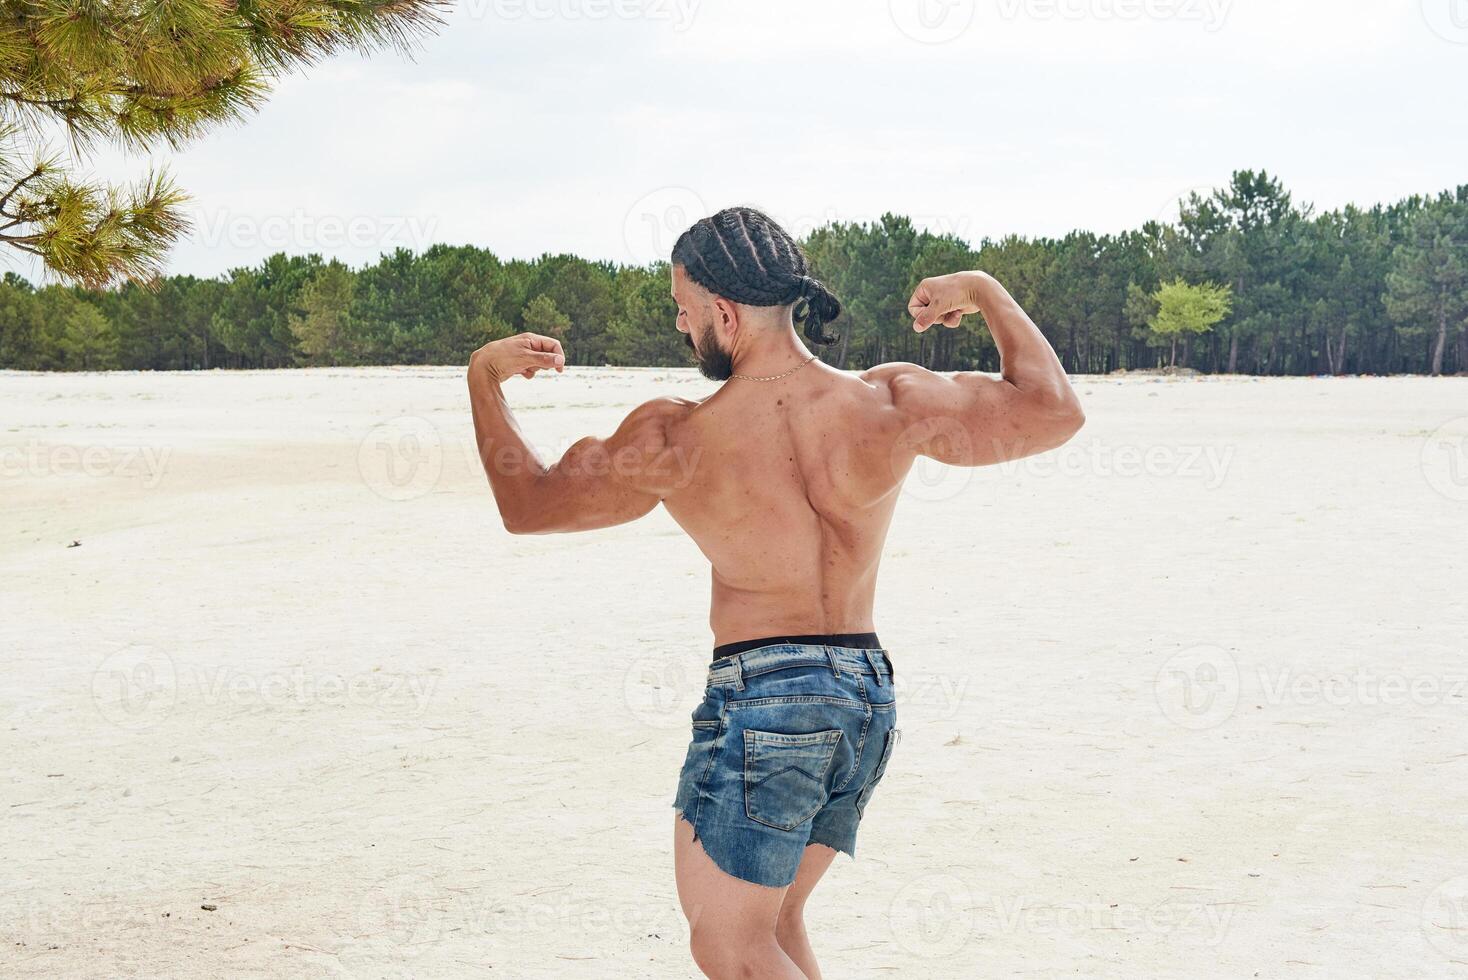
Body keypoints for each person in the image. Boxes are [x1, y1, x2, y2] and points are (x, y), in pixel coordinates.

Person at [466, 207, 1085, 979]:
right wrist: (987, 290)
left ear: (723, 312)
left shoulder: (674, 438)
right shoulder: (892, 401)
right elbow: (1054, 411)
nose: (683, 330)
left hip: (769, 699)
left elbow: (528, 507)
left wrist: (483, 378)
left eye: (684, 312)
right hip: (863, 697)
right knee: (776, 920)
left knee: (729, 944)